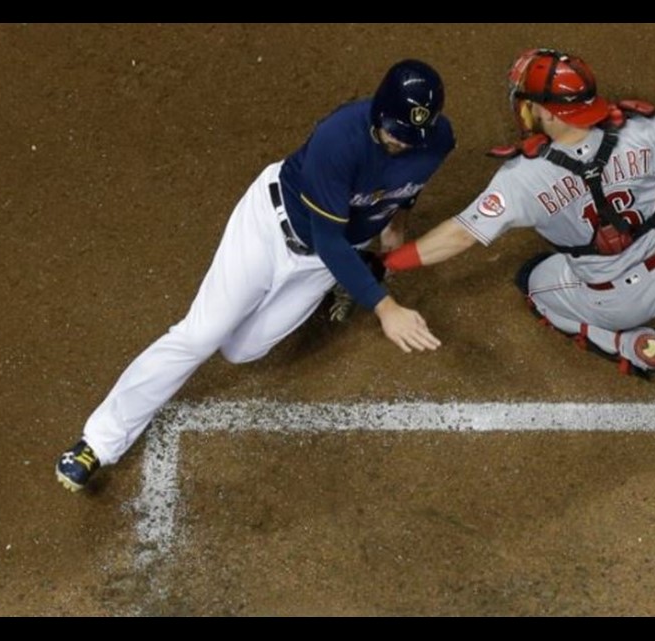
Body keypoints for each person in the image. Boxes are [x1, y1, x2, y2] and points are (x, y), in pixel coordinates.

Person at [381, 49, 655, 492]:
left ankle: (633, 345)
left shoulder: (520, 177)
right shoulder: (640, 129)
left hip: (605, 297)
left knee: (535, 282)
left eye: (528, 100)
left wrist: (391, 260)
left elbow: (460, 235)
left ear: (547, 113)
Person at [56, 60, 454, 492]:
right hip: (270, 230)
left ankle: (345, 280)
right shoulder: (338, 139)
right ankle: (98, 441)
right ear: (378, 112)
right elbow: (328, 238)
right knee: (201, 335)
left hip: (325, 262)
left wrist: (396, 225)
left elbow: (407, 189)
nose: (401, 142)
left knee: (242, 350)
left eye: (412, 136)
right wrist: (383, 305)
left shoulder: (436, 142)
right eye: (395, 131)